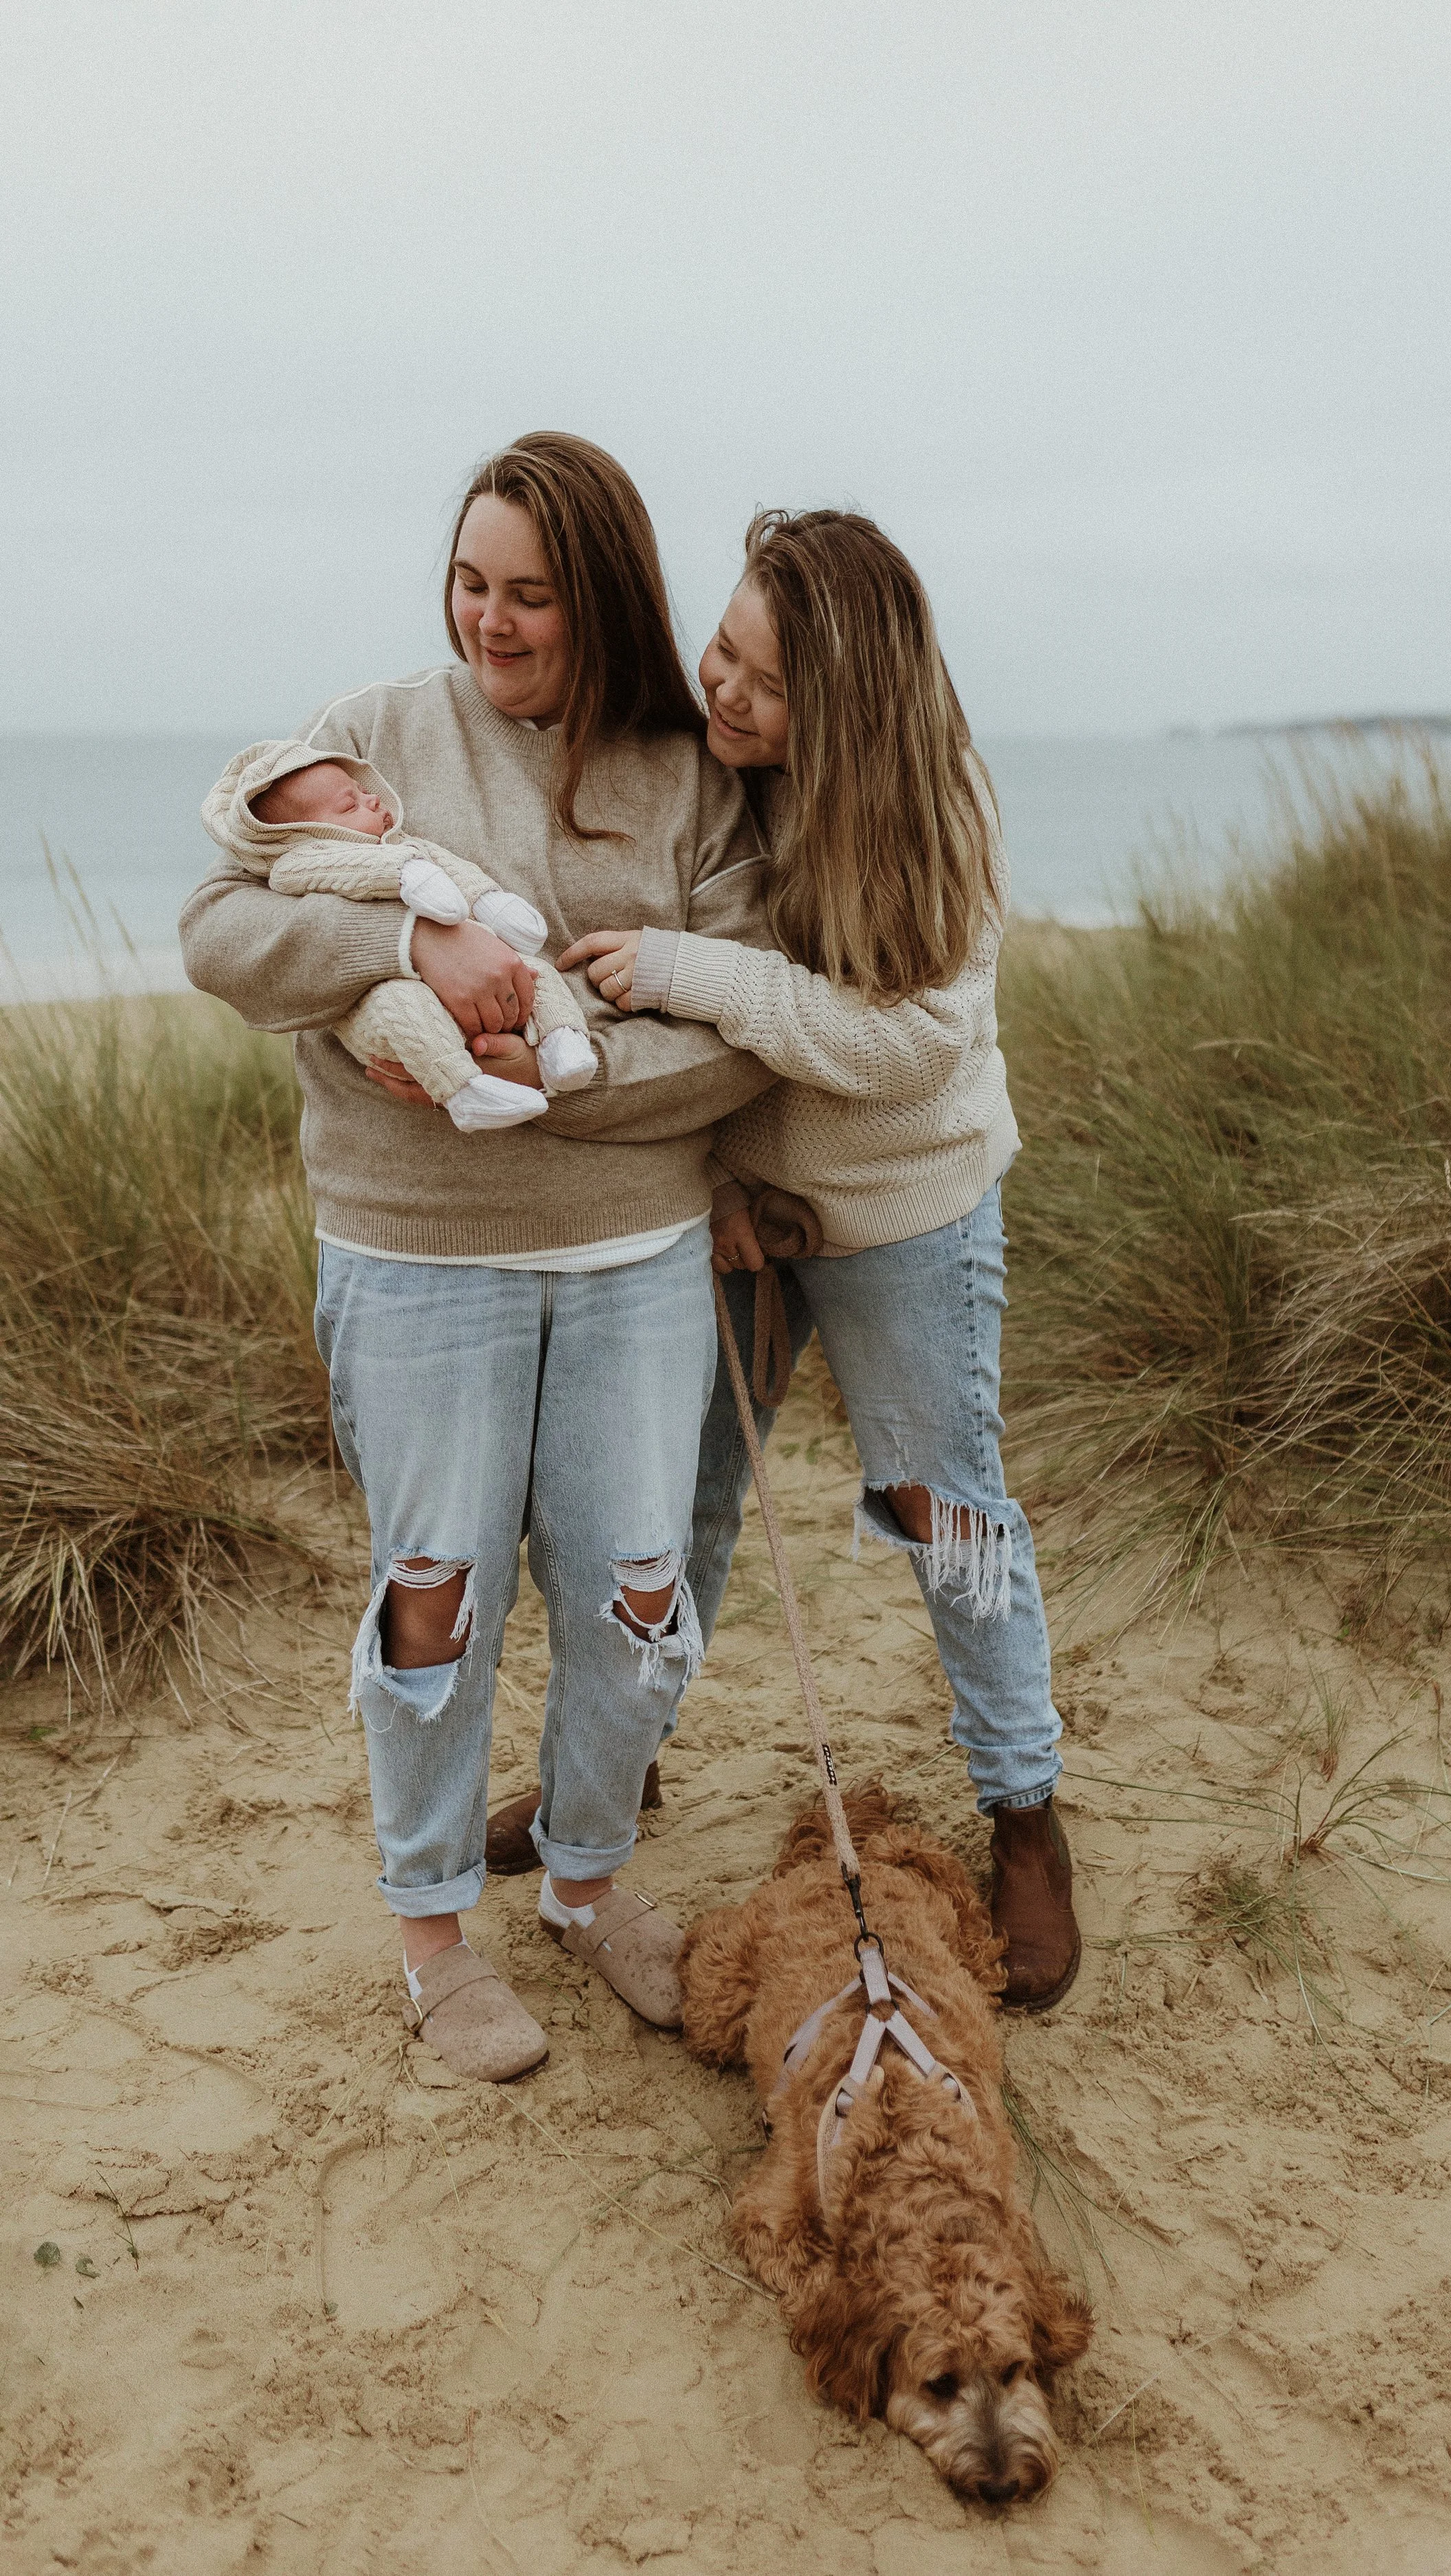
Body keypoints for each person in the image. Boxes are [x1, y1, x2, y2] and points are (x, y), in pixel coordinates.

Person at [179, 433, 776, 2080]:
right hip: (414, 1251)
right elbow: (222, 934)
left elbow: (736, 1043)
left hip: (636, 1259)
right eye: (468, 581)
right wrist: (406, 946)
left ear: (601, 602)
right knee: (432, 1591)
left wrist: (517, 1093)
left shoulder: (684, 774)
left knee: (635, 1595)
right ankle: (436, 1932)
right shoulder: (370, 731)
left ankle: (587, 1886)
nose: (490, 623)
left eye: (530, 596)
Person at [496, 507, 1081, 2009]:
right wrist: (712, 1176)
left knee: (945, 1515)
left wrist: (695, 969)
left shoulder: (935, 809)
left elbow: (903, 1045)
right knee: (663, 1516)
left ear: (849, 704)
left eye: (760, 680)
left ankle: (1025, 1817)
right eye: (725, 648)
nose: (721, 688)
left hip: (907, 1216)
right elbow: (673, 1038)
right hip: (738, 1217)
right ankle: (607, 1787)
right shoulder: (709, 771)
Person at [200, 741, 598, 1132]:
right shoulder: (301, 862)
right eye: (349, 806)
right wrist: (412, 929)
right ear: (309, 831)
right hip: (388, 988)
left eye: (364, 792)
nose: (372, 800)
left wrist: (490, 904)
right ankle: (464, 1089)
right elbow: (215, 933)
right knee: (403, 1008)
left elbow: (457, 871)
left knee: (534, 969)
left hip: (495, 980)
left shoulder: (407, 845)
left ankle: (562, 1043)